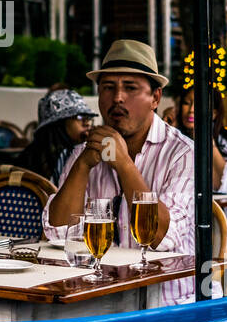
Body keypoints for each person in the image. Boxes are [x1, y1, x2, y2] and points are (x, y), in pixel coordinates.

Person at [43, 40, 196, 304]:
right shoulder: (84, 153)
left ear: (155, 98)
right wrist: (83, 165)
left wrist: (124, 164)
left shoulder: (183, 153)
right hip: (100, 299)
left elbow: (162, 236)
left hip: (170, 304)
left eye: (131, 88)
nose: (117, 98)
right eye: (108, 88)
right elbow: (58, 234)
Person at [173, 86, 227, 261]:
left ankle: (209, 287)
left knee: (191, 247)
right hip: (193, 227)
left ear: (213, 114)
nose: (190, 110)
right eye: (186, 103)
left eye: (198, 105)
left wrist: (206, 139)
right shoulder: (175, 142)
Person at [13, 89, 95, 183]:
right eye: (79, 117)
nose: (87, 123)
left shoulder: (85, 151)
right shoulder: (32, 159)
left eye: (89, 117)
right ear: (58, 124)